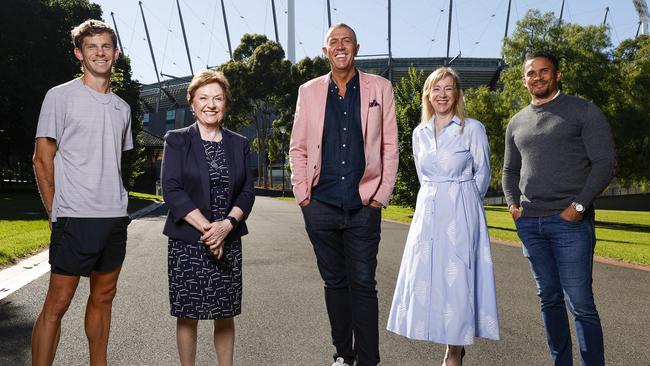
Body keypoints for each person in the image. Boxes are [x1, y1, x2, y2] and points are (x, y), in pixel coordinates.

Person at [289, 23, 398, 366]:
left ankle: (367, 360)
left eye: (346, 41)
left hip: (364, 204)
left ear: (357, 47)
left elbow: (391, 146)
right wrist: (302, 195)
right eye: (333, 42)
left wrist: (381, 195)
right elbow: (298, 147)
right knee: (334, 283)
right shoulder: (308, 91)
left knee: (363, 285)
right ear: (325, 52)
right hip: (320, 203)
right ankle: (343, 355)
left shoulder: (380, 88)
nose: (340, 46)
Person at [502, 51, 616, 366]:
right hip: (530, 225)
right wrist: (513, 203)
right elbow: (509, 171)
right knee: (549, 301)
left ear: (557, 75)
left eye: (544, 71)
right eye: (531, 73)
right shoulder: (517, 121)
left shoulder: (583, 111)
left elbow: (605, 163)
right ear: (523, 79)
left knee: (580, 303)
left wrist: (578, 206)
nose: (537, 77)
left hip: (571, 224)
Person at [31, 20, 132, 366]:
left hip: (114, 217)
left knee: (104, 297)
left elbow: (110, 161)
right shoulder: (60, 96)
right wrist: (53, 213)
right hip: (74, 216)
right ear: (79, 53)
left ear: (115, 53)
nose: (100, 52)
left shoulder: (123, 109)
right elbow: (42, 160)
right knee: (57, 303)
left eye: (106, 46)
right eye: (92, 47)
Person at [387, 67, 500, 366]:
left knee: (459, 277)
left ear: (457, 94)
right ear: (427, 94)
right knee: (431, 277)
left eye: (448, 88)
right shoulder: (419, 133)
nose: (442, 94)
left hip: (462, 209)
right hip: (429, 210)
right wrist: (436, 200)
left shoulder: (472, 128)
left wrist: (463, 205)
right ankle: (440, 331)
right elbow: (423, 176)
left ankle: (454, 349)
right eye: (436, 88)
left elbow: (483, 174)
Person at [161, 69, 254, 366]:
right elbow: (172, 190)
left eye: (217, 98)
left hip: (228, 239)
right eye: (203, 98)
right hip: (188, 241)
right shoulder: (176, 140)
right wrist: (209, 230)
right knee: (188, 314)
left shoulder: (239, 143)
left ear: (226, 103)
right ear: (192, 103)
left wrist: (226, 226)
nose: (210, 104)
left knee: (224, 313)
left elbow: (247, 192)